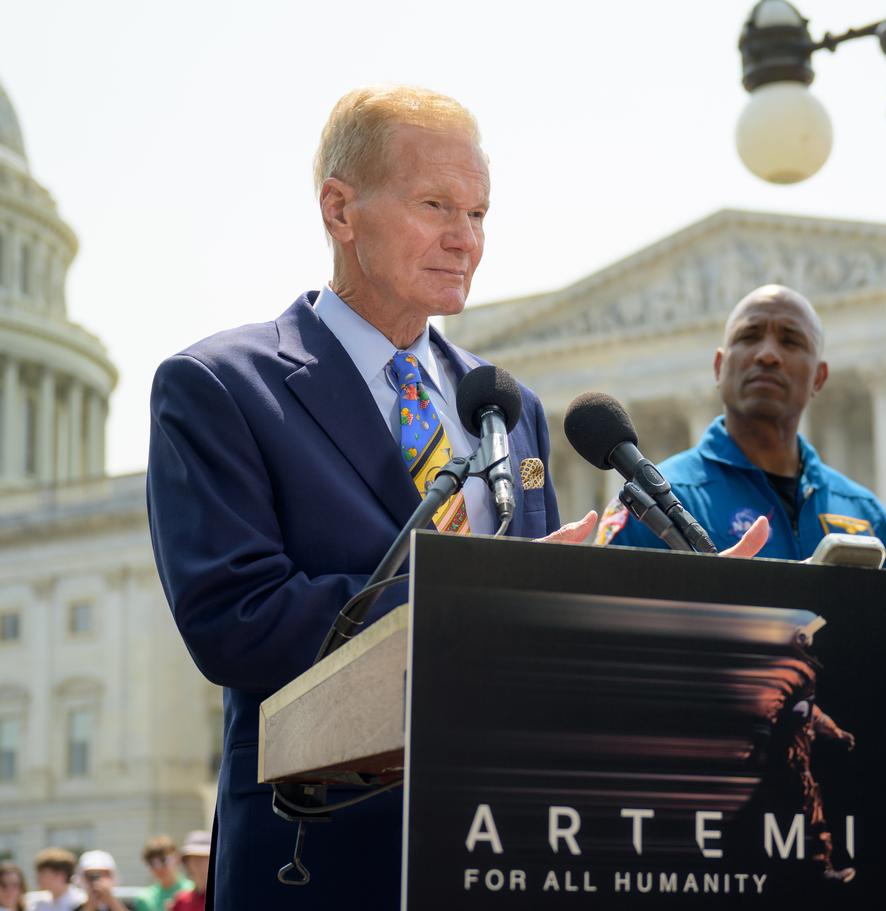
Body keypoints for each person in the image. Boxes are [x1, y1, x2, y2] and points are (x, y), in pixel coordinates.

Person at [146, 84, 765, 911]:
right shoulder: (222, 388)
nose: (464, 239)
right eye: (436, 204)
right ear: (340, 210)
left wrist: (666, 619)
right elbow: (239, 621)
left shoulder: (508, 406)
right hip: (321, 853)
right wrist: (476, 606)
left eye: (479, 213)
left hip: (499, 849)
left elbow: (532, 650)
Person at [599, 283, 886, 567]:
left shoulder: (869, 517)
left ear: (819, 377)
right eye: (749, 337)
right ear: (719, 367)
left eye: (791, 340)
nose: (767, 354)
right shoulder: (650, 506)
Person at [130, 838, 189, 911]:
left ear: (177, 858)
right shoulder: (144, 898)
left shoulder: (194, 891)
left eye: (163, 860)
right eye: (152, 863)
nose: (158, 868)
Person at [168, 832, 210, 911]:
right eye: (193, 857)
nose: (198, 862)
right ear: (186, 862)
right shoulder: (181, 901)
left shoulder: (221, 899)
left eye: (204, 857)